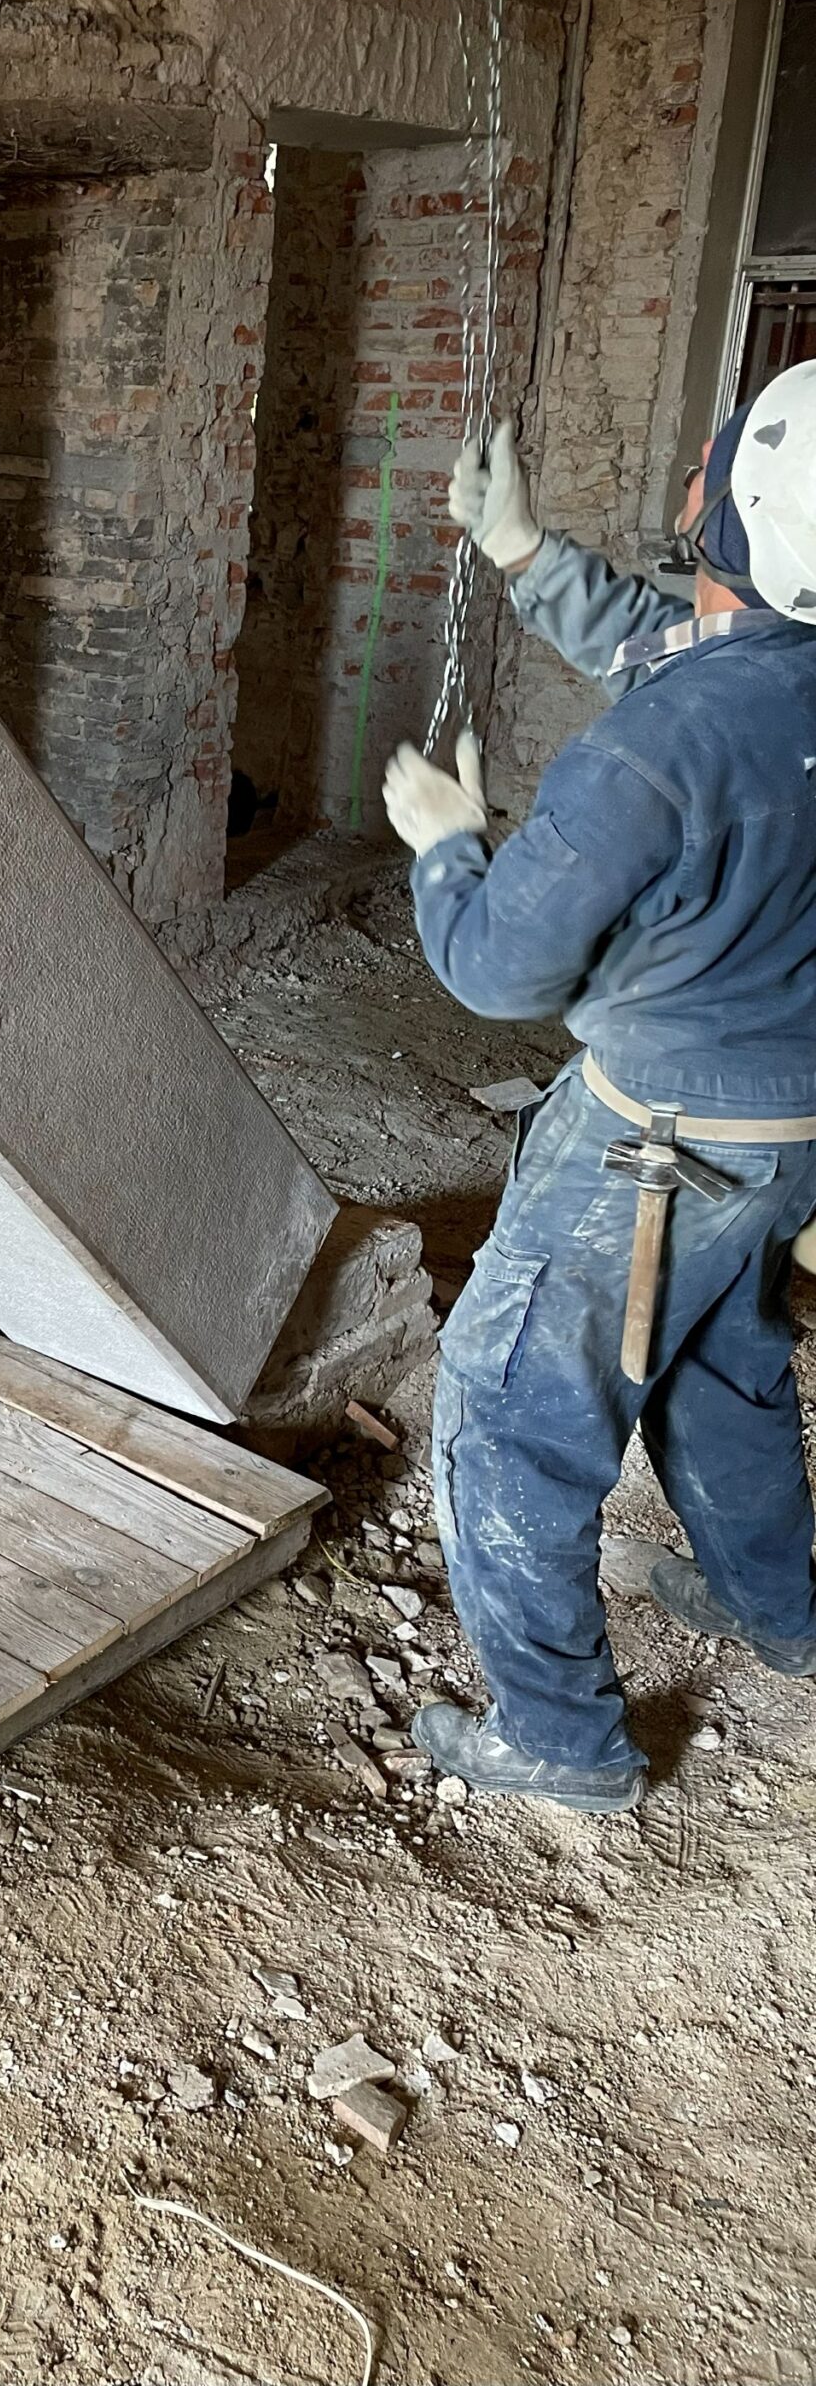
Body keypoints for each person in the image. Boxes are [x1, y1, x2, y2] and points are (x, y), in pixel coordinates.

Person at [379, 363, 816, 1811]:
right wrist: (521, 550)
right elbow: (676, 648)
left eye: (712, 463)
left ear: (736, 516)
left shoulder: (653, 753)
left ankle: (562, 1742)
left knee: (509, 1405)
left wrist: (448, 846)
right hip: (790, 1130)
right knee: (720, 1359)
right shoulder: (768, 678)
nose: (690, 477)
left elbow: (498, 968)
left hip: (661, 1145)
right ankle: (777, 1610)